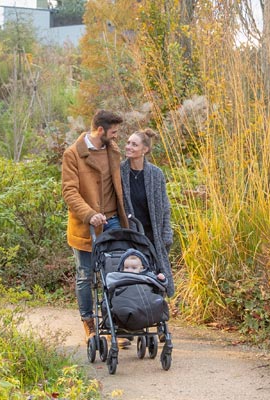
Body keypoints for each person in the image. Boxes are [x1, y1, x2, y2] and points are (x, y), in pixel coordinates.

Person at [61, 110, 130, 339]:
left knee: (116, 272)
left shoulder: (113, 151)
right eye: (114, 132)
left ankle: (114, 322)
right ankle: (89, 323)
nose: (116, 136)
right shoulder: (73, 155)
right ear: (100, 130)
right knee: (86, 275)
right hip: (86, 226)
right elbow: (69, 192)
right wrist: (89, 214)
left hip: (113, 222)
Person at [121, 128, 175, 296]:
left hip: (153, 234)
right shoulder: (119, 172)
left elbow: (165, 207)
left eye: (134, 144)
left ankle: (154, 309)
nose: (128, 147)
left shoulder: (156, 174)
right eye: (128, 143)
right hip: (130, 233)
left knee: (155, 276)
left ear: (145, 150)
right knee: (132, 274)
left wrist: (166, 233)